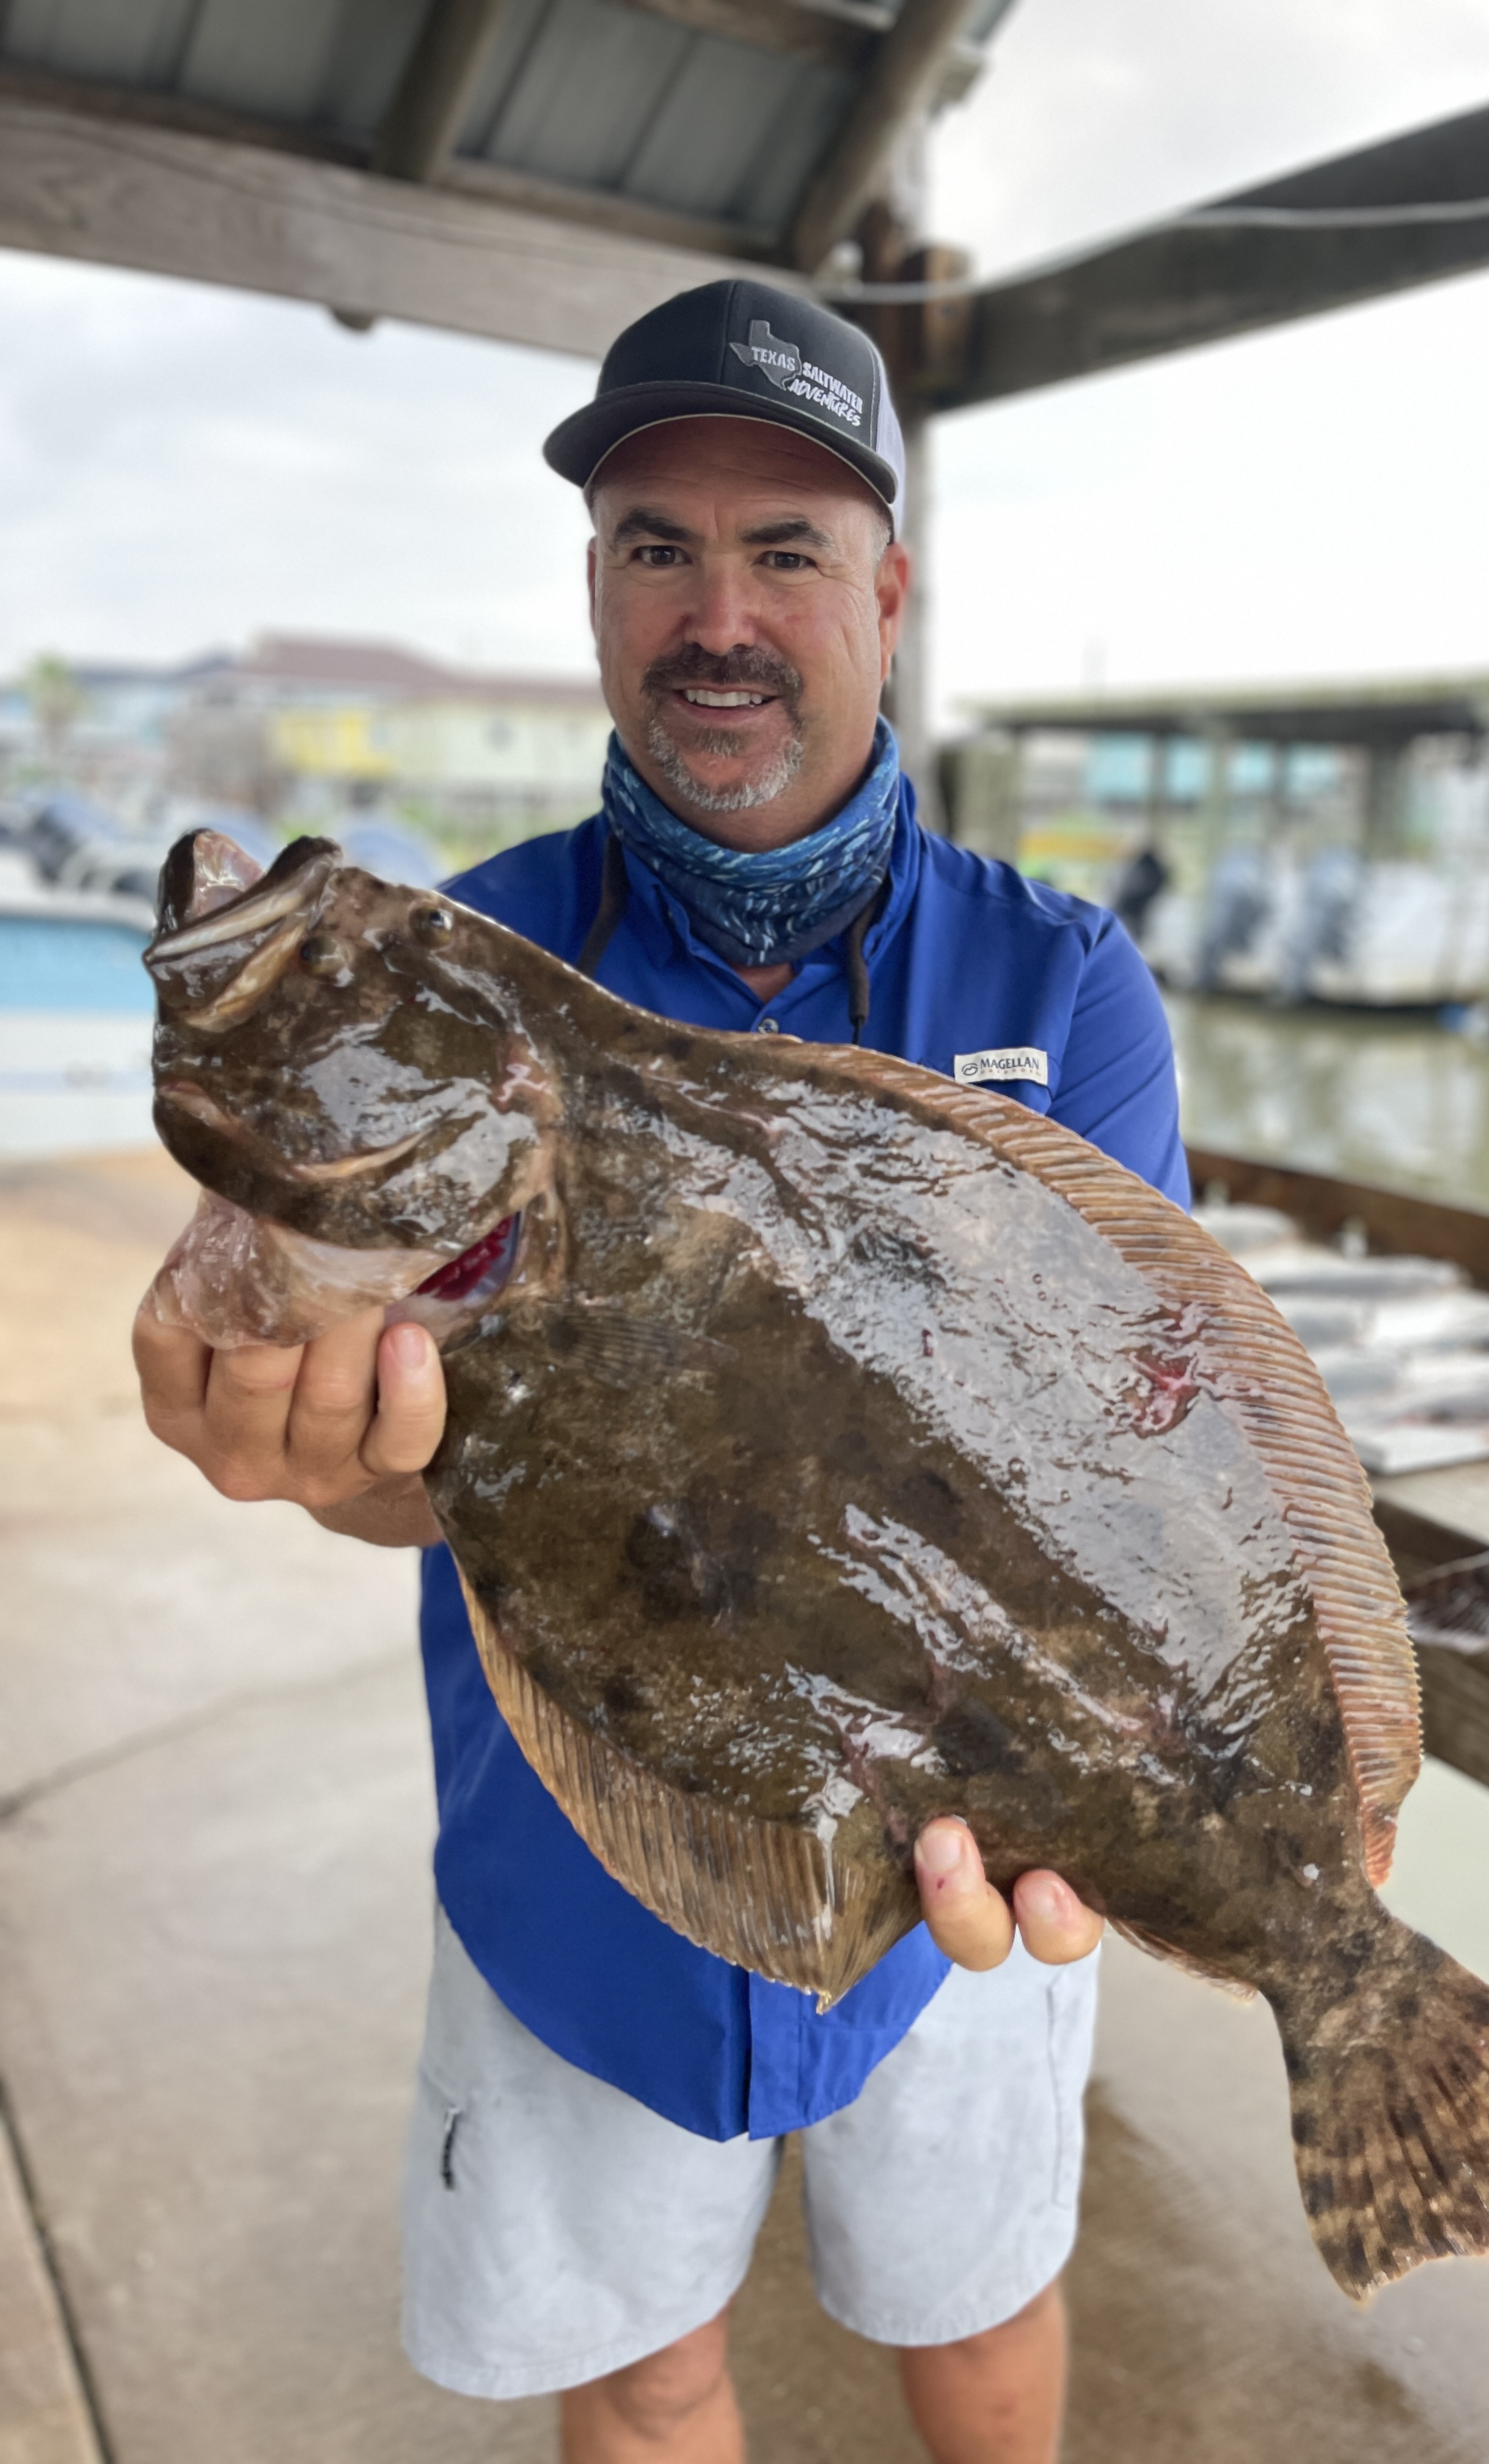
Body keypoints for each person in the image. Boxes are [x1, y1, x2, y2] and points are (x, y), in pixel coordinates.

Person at [134, 279, 1189, 2464]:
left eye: (785, 548)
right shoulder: (457, 954)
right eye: (655, 546)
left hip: (959, 1850)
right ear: (596, 592)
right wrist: (327, 1450)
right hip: (577, 1858)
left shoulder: (1065, 984)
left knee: (980, 2314)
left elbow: (1124, 1450)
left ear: (887, 595)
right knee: (644, 2374)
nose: (718, 614)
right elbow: (422, 1457)